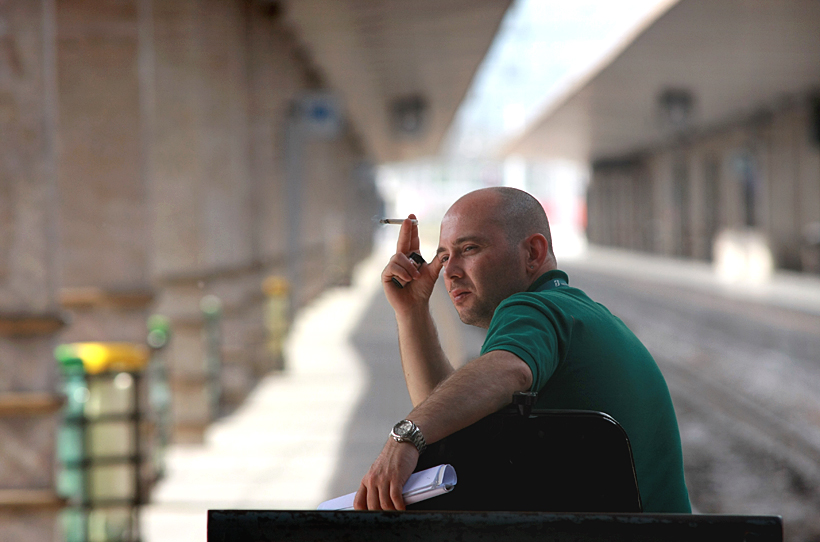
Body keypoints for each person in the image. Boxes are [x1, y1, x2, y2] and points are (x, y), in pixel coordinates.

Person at [353, 187, 690, 513]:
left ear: (533, 253)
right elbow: (448, 422)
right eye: (443, 256)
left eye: (469, 249)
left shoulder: (534, 310)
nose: (449, 271)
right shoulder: (577, 314)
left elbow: (507, 370)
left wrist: (406, 436)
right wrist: (412, 311)